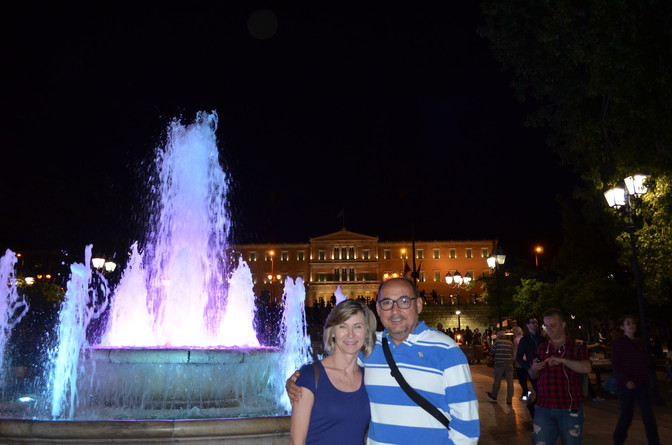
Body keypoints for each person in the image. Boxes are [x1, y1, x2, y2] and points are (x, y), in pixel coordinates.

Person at [288, 277, 480, 444]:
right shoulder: (370, 348)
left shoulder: (447, 350)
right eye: (387, 302)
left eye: (404, 301)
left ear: (419, 305)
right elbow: (336, 365)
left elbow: (467, 426)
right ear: (379, 309)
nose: (395, 310)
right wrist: (298, 380)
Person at [290, 299, 377, 445]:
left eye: (357, 327)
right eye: (343, 326)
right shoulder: (310, 375)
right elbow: (296, 442)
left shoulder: (369, 378)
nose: (350, 334)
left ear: (367, 333)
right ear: (332, 332)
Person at [529, 308, 592, 445]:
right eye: (546, 326)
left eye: (553, 325)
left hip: (569, 407)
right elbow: (533, 375)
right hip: (544, 406)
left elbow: (586, 367)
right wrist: (534, 368)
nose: (549, 330)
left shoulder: (575, 347)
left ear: (563, 325)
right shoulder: (542, 347)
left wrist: (562, 361)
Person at [611, 315, 661, 445]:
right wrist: (626, 380)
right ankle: (618, 440)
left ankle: (654, 442)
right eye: (628, 323)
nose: (631, 325)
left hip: (641, 384)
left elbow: (644, 362)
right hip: (626, 386)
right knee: (627, 416)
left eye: (633, 323)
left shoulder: (640, 343)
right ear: (622, 327)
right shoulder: (619, 343)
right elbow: (616, 364)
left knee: (648, 416)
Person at [516, 316, 544, 413]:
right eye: (532, 322)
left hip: (543, 368)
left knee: (543, 393)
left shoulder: (542, 339)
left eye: (536, 322)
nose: (535, 324)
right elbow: (519, 357)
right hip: (533, 369)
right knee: (540, 392)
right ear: (527, 325)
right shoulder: (525, 340)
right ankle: (533, 409)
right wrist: (528, 367)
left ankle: (537, 411)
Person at [486, 331, 514, 405]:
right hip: (509, 364)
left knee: (497, 380)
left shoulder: (497, 343)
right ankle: (509, 399)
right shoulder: (510, 343)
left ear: (498, 336)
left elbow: (492, 352)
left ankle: (494, 395)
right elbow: (512, 352)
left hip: (499, 364)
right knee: (510, 382)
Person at [512, 326, 529, 401]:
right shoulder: (524, 339)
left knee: (521, 378)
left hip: (519, 361)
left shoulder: (516, 340)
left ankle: (525, 392)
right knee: (524, 377)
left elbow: (515, 351)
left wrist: (513, 359)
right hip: (526, 360)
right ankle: (526, 391)